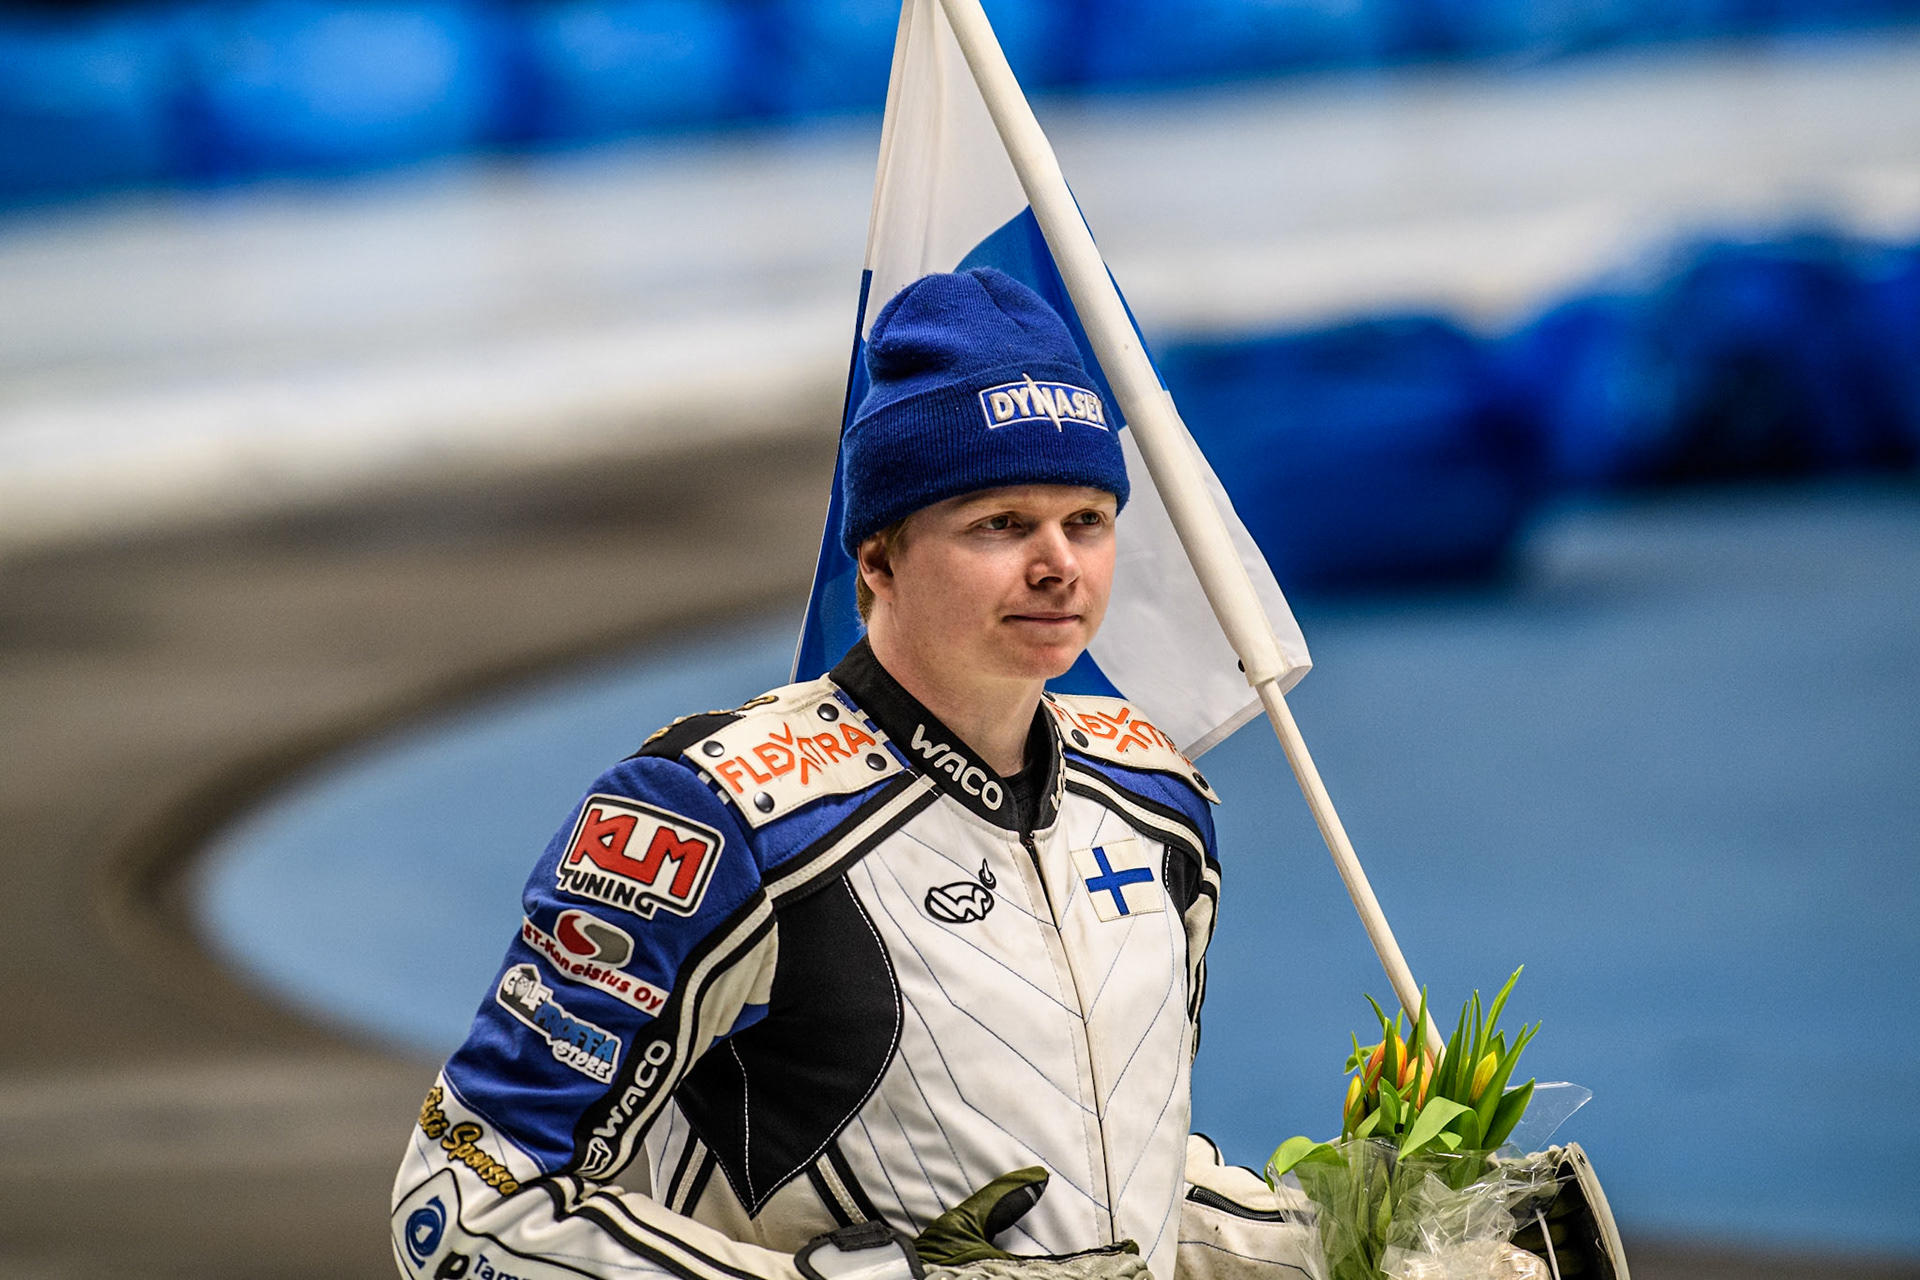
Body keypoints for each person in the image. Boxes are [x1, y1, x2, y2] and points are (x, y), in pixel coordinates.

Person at [390, 268, 1316, 1280]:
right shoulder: (714, 812)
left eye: (1086, 518)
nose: (1058, 563)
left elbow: (1116, 1202)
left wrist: (1370, 1228)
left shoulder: (1156, 796)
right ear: (877, 557)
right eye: (1000, 524)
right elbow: (462, 1205)